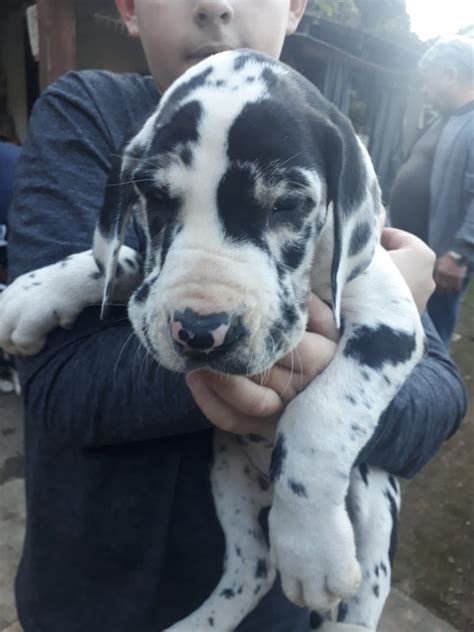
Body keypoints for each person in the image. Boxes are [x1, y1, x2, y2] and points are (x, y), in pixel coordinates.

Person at [7, 2, 466, 631]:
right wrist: (91, 272)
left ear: (295, 8)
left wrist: (311, 477)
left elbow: (437, 401)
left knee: (371, 506)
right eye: (161, 196)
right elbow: (61, 388)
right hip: (90, 601)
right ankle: (238, 590)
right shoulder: (87, 113)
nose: (215, 4)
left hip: (304, 554)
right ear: (130, 8)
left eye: (285, 206)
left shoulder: (322, 149)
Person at [390, 35, 474, 346]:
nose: (424, 91)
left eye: (429, 82)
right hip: (412, 251)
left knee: (431, 337)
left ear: (451, 75)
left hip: (442, 263)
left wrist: (459, 254)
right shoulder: (445, 119)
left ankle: (429, 388)